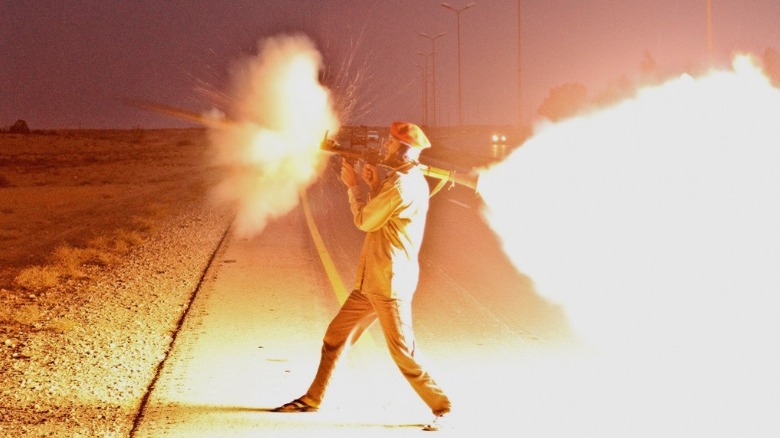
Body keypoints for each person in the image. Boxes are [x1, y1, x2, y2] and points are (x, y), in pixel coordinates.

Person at [273, 121, 452, 431]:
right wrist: (372, 185)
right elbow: (389, 216)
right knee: (335, 337)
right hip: (372, 281)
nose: (385, 147)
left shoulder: (400, 185)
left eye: (392, 145)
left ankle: (444, 408)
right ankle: (313, 398)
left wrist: (353, 186)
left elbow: (366, 221)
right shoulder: (406, 179)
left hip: (388, 283)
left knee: (403, 353)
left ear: (405, 150)